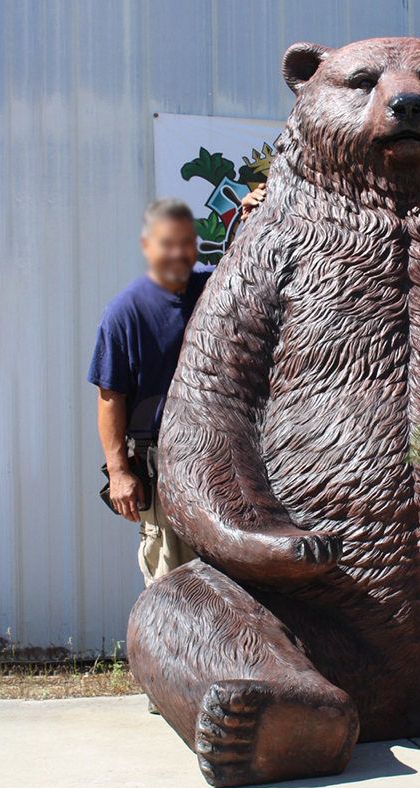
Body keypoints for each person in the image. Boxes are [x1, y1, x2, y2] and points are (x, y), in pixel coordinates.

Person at [87, 188, 266, 589]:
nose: (178, 253)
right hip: (163, 462)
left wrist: (251, 215)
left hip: (221, 460)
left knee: (231, 578)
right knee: (174, 582)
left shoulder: (209, 287)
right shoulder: (124, 313)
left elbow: (247, 273)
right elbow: (109, 397)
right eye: (168, 244)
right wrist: (118, 472)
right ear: (148, 247)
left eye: (186, 243)